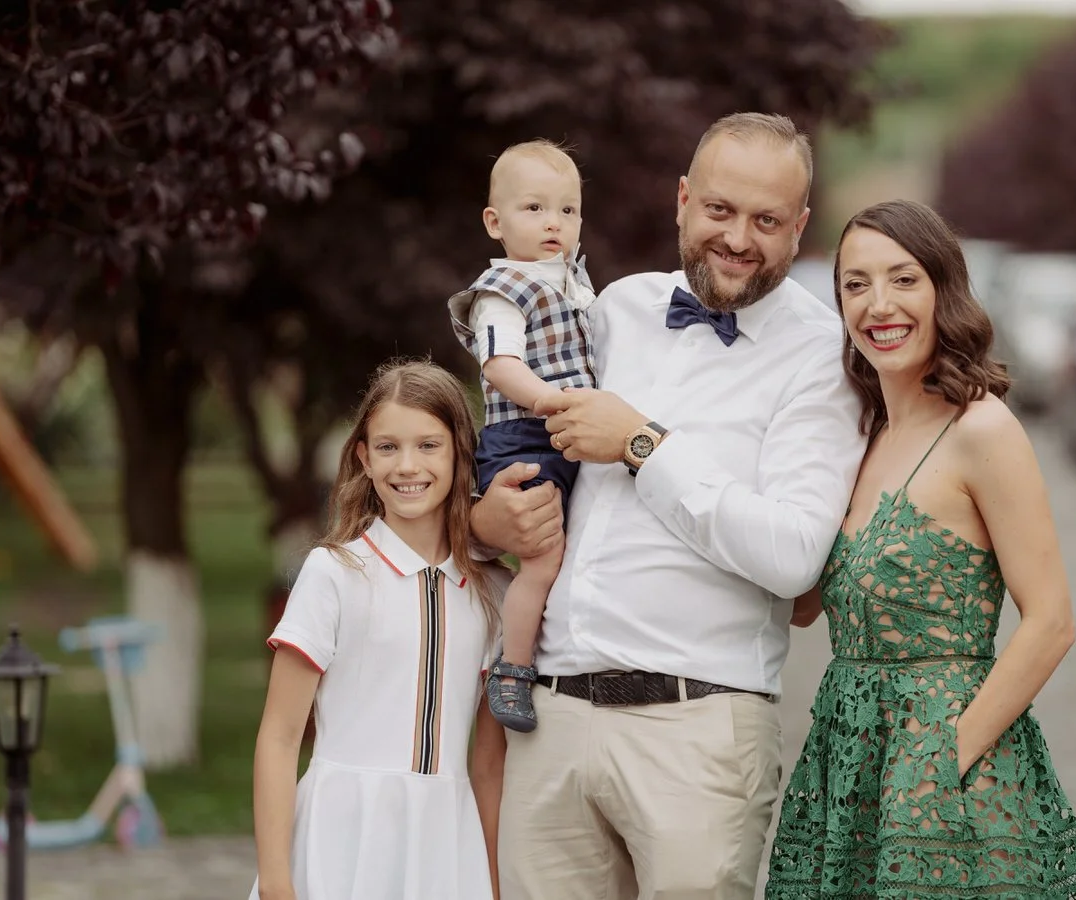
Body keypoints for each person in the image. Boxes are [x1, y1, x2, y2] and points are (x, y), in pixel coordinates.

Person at [470, 112, 867, 900]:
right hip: (551, 717)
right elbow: (521, 444)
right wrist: (485, 524)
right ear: (683, 200)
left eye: (766, 220)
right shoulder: (611, 307)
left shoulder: (821, 357)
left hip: (698, 732)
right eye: (720, 210)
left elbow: (794, 559)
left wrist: (646, 444)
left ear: (800, 228)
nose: (739, 238)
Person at [765, 199, 1076, 898]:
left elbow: (1051, 621)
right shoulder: (859, 438)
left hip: (950, 774)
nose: (878, 304)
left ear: (943, 289)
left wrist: (945, 758)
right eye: (856, 284)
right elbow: (801, 606)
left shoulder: (983, 429)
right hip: (847, 766)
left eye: (902, 279)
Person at [250, 360, 509, 900]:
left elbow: (488, 763)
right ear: (364, 458)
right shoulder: (334, 573)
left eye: (429, 445)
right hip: (339, 841)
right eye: (388, 447)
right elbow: (278, 738)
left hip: (446, 846)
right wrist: (277, 882)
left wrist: (495, 879)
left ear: (461, 451)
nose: (407, 465)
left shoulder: (493, 592)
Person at [447, 139, 597, 733]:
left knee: (572, 542)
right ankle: (512, 670)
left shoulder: (574, 283)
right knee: (541, 557)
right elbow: (499, 363)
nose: (554, 223)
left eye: (568, 210)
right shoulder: (503, 288)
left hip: (564, 430)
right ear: (495, 222)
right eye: (534, 209)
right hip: (526, 436)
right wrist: (545, 398)